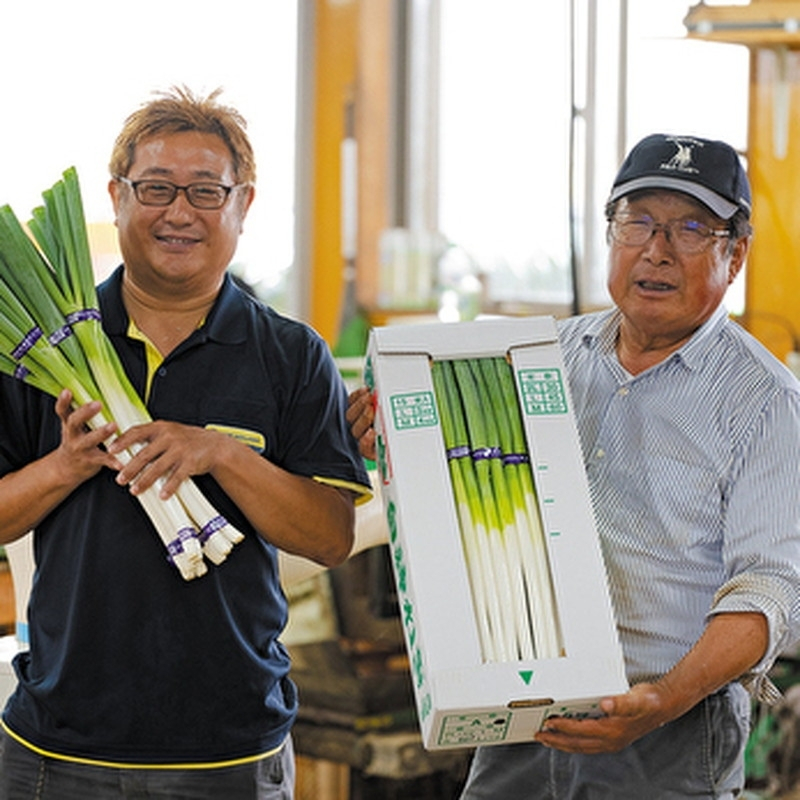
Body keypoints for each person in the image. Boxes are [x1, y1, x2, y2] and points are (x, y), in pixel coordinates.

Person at [347, 133, 800, 798]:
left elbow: (770, 590)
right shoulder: (538, 356)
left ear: (735, 256)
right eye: (637, 222)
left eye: (691, 229)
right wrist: (393, 449)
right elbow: (467, 495)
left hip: (667, 735)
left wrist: (662, 699)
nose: (657, 249)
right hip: (520, 718)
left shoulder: (766, 404)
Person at [0, 86, 371, 799]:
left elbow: (329, 537)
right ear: (115, 197)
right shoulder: (39, 351)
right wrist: (65, 465)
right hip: (58, 746)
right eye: (156, 188)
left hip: (230, 748)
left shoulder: (292, 355)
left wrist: (224, 454)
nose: (178, 212)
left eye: (205, 191)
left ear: (244, 204)